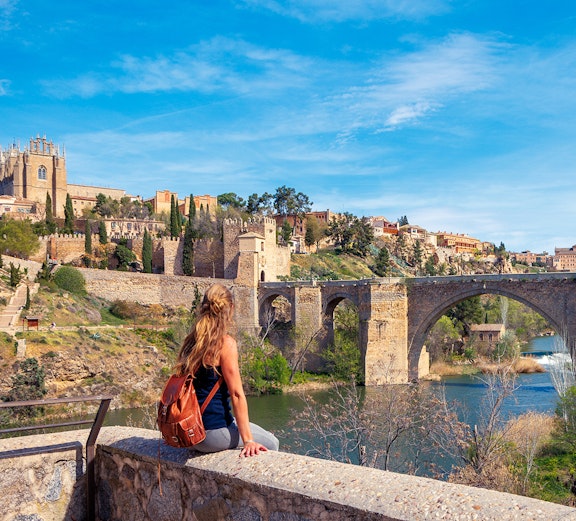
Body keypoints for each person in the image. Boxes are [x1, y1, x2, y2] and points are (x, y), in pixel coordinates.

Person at [173, 283, 279, 457]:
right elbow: (236, 394)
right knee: (271, 442)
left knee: (258, 431)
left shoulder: (191, 342)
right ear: (231, 308)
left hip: (188, 432)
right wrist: (248, 441)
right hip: (211, 434)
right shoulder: (224, 344)